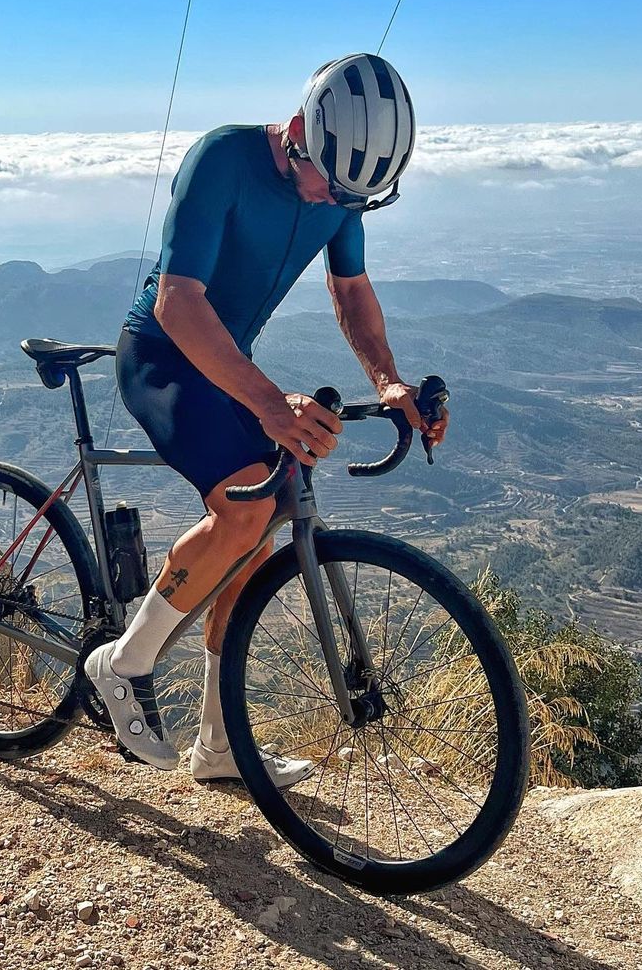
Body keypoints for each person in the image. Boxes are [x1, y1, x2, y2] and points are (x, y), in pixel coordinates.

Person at [84, 53, 448, 786]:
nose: (331, 205)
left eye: (354, 198)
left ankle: (218, 749)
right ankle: (121, 663)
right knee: (245, 506)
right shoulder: (222, 158)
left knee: (267, 525)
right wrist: (268, 402)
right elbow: (177, 303)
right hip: (163, 355)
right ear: (296, 134)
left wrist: (390, 379)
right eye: (329, 186)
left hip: (228, 367)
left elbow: (352, 294)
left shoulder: (340, 194)